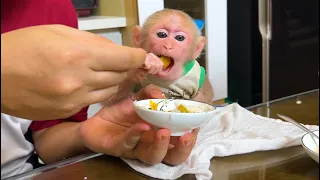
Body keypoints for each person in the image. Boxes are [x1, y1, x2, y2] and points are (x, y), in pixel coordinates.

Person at [1, 0, 198, 178]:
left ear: (197, 50)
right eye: (162, 35)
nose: (169, 45)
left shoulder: (51, 7)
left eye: (179, 38)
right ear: (138, 38)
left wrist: (85, 134)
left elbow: (47, 138)